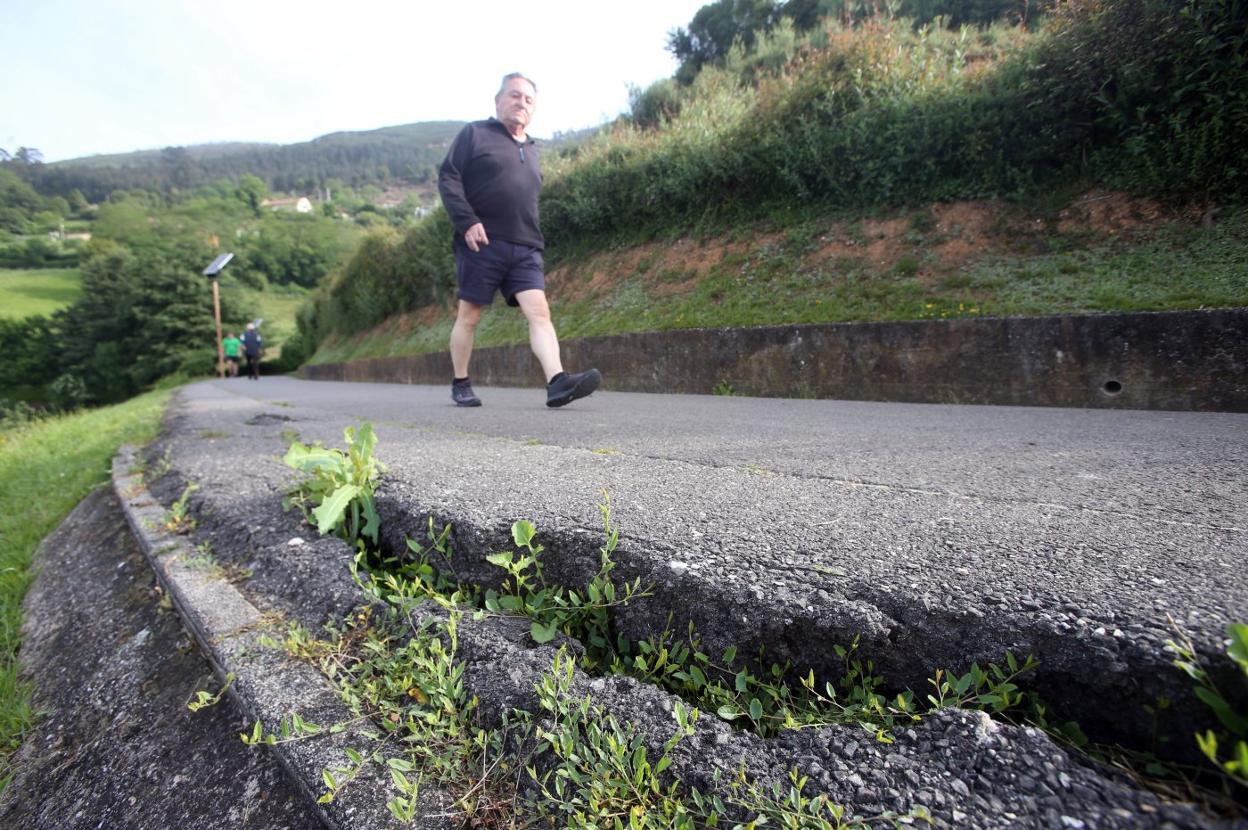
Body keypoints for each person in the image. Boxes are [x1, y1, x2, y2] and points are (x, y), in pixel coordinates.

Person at [437, 72, 601, 408]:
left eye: (528, 99)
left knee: (539, 311)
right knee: (470, 315)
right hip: (482, 241)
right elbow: (448, 177)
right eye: (514, 95)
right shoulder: (475, 134)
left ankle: (557, 382)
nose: (520, 103)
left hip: (526, 245)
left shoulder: (532, 148)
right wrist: (467, 221)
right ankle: (461, 381)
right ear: (498, 101)